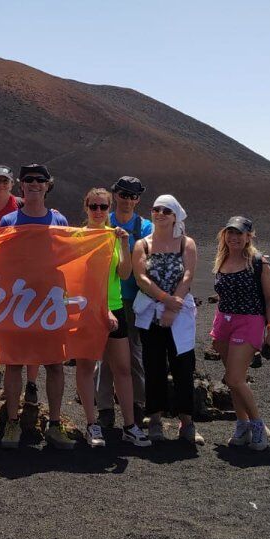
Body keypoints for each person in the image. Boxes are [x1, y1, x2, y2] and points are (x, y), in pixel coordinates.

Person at [0, 164, 74, 450]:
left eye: (40, 180)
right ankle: (12, 422)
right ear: (21, 185)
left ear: (47, 185)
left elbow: (70, 258)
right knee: (14, 363)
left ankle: (54, 424)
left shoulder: (59, 220)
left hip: (51, 299)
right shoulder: (8, 222)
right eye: (28, 180)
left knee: (54, 363)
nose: (34, 184)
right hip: (19, 300)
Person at [74, 188, 151, 448]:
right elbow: (74, 278)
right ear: (86, 207)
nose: (98, 211)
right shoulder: (77, 238)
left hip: (116, 307)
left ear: (109, 209)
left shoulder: (115, 236)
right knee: (86, 368)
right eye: (93, 206)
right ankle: (91, 424)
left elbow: (125, 273)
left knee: (123, 368)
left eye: (103, 207)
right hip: (87, 310)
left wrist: (123, 245)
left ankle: (130, 425)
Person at [132, 194, 200, 445]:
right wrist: (164, 299)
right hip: (151, 314)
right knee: (154, 366)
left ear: (175, 216)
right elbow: (141, 278)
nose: (160, 214)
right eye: (156, 209)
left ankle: (187, 421)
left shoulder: (186, 243)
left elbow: (189, 275)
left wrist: (173, 307)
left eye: (166, 211)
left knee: (183, 364)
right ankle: (156, 419)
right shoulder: (143, 244)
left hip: (179, 313)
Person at [211, 216, 270, 451]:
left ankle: (258, 426)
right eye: (230, 232)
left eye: (239, 233)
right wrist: (217, 328)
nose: (234, 237)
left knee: (235, 378)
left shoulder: (259, 263)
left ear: (249, 236)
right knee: (232, 379)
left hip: (249, 322)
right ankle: (242, 425)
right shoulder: (222, 259)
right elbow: (221, 296)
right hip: (224, 323)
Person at [94, 176, 151, 429]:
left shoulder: (145, 227)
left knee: (134, 355)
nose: (127, 200)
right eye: (123, 194)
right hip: (107, 299)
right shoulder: (106, 222)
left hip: (136, 300)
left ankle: (138, 405)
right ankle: (105, 408)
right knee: (105, 357)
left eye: (132, 196)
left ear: (138, 199)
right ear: (115, 195)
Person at [0, 164, 40, 406]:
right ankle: (12, 395)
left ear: (12, 184)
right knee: (12, 341)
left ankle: (31, 384)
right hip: (8, 283)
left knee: (33, 337)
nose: (1, 185)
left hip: (35, 283)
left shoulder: (18, 207)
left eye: (5, 181)